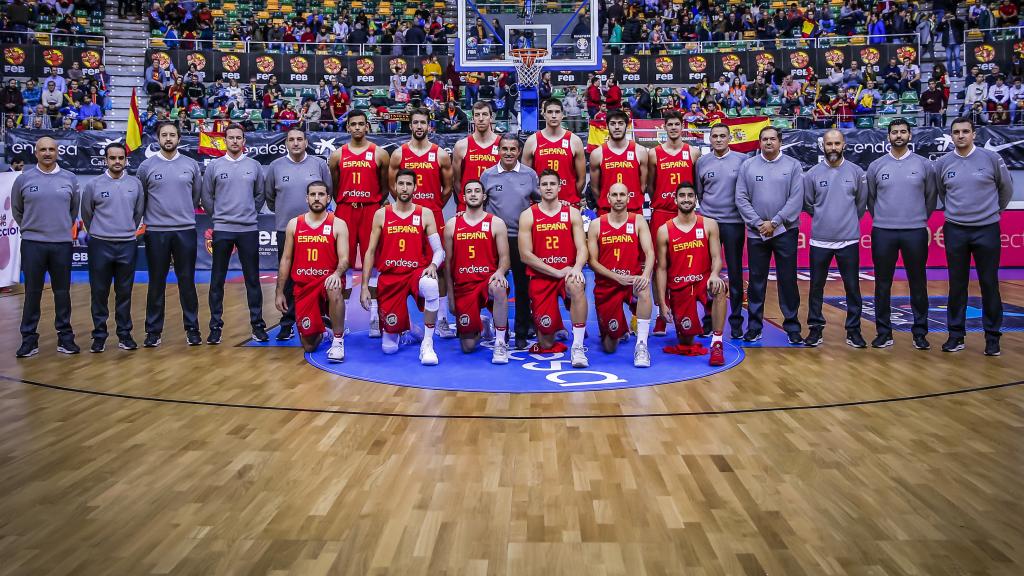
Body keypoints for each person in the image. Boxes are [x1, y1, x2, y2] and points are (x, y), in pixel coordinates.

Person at [933, 118, 1014, 356]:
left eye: (965, 131)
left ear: (974, 134)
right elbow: (942, 192)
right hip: (955, 230)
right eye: (956, 132)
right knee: (957, 285)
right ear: (951, 136)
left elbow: (1006, 189)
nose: (961, 135)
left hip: (986, 230)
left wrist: (991, 212)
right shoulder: (943, 163)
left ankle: (992, 337)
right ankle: (956, 335)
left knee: (989, 283)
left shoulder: (992, 159)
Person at [865, 119, 937, 350]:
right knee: (882, 284)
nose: (898, 135)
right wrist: (884, 218)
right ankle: (883, 333)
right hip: (883, 232)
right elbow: (871, 199)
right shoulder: (876, 166)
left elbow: (931, 198)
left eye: (903, 132)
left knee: (918, 282)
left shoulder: (924, 165)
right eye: (894, 132)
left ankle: (920, 333)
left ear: (910, 135)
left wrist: (918, 219)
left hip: (914, 231)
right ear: (888, 136)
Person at [360, 169, 445, 365]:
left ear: (415, 187)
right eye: (401, 184)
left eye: (408, 184)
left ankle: (427, 343)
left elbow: (439, 250)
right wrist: (364, 286)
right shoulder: (381, 214)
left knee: (431, 285)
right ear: (395, 187)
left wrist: (433, 264)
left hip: (416, 273)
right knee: (389, 348)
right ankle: (409, 328)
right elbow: (370, 252)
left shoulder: (425, 213)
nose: (404, 188)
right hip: (390, 277)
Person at [388, 107, 455, 338]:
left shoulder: (440, 154)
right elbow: (393, 186)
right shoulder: (399, 154)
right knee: (403, 264)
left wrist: (432, 206)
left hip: (433, 214)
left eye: (422, 123)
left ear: (429, 126)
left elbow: (448, 188)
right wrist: (408, 206)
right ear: (410, 125)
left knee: (439, 266)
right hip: (406, 217)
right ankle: (400, 320)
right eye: (415, 122)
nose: (419, 126)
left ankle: (442, 319)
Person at [136, 121, 204, 348]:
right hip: (156, 232)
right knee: (156, 282)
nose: (168, 138)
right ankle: (153, 332)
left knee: (187, 281)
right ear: (158, 139)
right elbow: (141, 198)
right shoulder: (146, 166)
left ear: (178, 138)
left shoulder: (191, 165)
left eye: (172, 135)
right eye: (164, 135)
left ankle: (192, 329)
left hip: (185, 230)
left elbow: (195, 197)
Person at [11, 137, 80, 357]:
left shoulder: (70, 178)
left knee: (62, 292)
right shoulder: (23, 179)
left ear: (57, 152)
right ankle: (29, 340)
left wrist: (60, 228)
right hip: (33, 244)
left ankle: (65, 338)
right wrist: (32, 228)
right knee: (32, 293)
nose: (47, 153)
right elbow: (17, 209)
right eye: (43, 149)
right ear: (36, 152)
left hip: (61, 244)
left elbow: (73, 210)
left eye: (51, 149)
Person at [735, 126, 804, 344]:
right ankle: (754, 327)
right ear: (759, 142)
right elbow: (741, 198)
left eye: (772, 139)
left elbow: (796, 199)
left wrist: (775, 222)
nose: (768, 143)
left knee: (788, 280)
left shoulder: (793, 165)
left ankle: (792, 326)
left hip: (785, 231)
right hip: (757, 234)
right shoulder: (748, 165)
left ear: (780, 141)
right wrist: (759, 224)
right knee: (756, 281)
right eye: (764, 139)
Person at [200, 123, 268, 344]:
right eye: (231, 138)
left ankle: (258, 326)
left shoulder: (254, 166)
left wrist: (249, 213)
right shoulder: (214, 166)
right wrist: (219, 216)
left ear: (244, 141)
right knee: (217, 279)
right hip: (222, 229)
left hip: (248, 229)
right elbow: (206, 197)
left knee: (252, 280)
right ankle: (215, 327)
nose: (235, 141)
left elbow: (260, 195)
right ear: (225, 141)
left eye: (239, 138)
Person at [264, 127, 333, 341]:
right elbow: (270, 198)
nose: (295, 143)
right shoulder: (275, 166)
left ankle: (323, 319)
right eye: (291, 139)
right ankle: (287, 323)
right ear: (286, 143)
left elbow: (328, 192)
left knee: (319, 274)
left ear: (306, 142)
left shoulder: (319, 164)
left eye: (299, 139)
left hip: (317, 230)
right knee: (287, 277)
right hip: (286, 229)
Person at [801, 129, 868, 348]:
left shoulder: (856, 172)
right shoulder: (812, 174)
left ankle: (854, 331)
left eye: (837, 143)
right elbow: (808, 204)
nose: (833, 148)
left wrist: (846, 221)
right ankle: (815, 329)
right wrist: (824, 218)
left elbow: (860, 204)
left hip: (848, 240)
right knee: (816, 287)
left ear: (844, 145)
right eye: (829, 144)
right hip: (820, 240)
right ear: (823, 146)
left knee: (852, 287)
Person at [328, 110, 390, 336]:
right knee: (341, 263)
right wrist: (346, 201)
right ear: (347, 127)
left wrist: (373, 203)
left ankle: (375, 316)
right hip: (345, 209)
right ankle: (340, 319)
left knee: (373, 263)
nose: (356, 127)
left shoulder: (380, 154)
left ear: (367, 127)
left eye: (361, 124)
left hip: (371, 209)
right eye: (352, 124)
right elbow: (335, 187)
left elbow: (385, 187)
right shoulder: (337, 155)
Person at [519, 169, 589, 367]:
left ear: (559, 187)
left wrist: (577, 268)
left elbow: (582, 248)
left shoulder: (572, 213)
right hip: (542, 277)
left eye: (552, 184)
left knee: (576, 284)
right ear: (539, 188)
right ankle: (556, 326)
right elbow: (525, 255)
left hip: (567, 273)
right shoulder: (528, 215)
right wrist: (556, 272)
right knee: (546, 344)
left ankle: (577, 346)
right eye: (544, 184)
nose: (548, 187)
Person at [81, 143, 144, 353]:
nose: (117, 161)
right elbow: (86, 214)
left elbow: (138, 213)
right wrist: (99, 232)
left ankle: (124, 335)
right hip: (100, 244)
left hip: (127, 244)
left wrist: (126, 230)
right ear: (105, 160)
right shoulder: (93, 185)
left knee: (124, 292)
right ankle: (99, 336)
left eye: (120, 158)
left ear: (126, 160)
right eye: (112, 158)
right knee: (99, 292)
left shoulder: (135, 184)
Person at [655, 184, 727, 367]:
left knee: (720, 288)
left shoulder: (709, 224)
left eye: (690, 195)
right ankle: (688, 331)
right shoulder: (664, 230)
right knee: (686, 341)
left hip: (704, 281)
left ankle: (717, 343)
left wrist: (715, 274)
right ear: (675, 200)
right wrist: (662, 303)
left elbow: (717, 257)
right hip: (680, 286)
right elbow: (661, 268)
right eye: (682, 196)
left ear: (696, 199)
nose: (686, 199)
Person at [274, 181, 348, 360]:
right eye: (313, 194)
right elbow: (286, 259)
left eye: (321, 194)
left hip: (327, 280)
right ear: (306, 198)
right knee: (309, 347)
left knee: (334, 286)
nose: (317, 198)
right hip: (304, 286)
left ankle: (338, 342)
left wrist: (337, 274)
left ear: (328, 198)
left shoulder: (338, 224)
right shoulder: (294, 224)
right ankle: (324, 328)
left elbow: (345, 259)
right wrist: (279, 292)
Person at [481, 133, 541, 350]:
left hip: (521, 240)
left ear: (519, 151)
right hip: (494, 241)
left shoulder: (530, 174)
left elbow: (541, 202)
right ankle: (501, 332)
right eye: (504, 149)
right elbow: (479, 203)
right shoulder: (487, 175)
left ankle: (522, 332)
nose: (508, 153)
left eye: (512, 149)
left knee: (523, 289)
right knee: (498, 287)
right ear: (498, 151)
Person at [443, 180, 511, 363]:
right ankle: (483, 324)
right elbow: (447, 264)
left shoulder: (496, 223)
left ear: (484, 196)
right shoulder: (452, 225)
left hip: (487, 282)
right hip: (464, 287)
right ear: (463, 197)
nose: (473, 194)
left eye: (477, 191)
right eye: (469, 191)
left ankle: (499, 343)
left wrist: (500, 271)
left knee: (499, 287)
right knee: (468, 347)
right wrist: (450, 296)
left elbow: (505, 258)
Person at [587, 183, 655, 366]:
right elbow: (592, 262)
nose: (618, 198)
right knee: (609, 346)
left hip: (632, 282)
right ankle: (620, 328)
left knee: (644, 289)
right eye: (615, 195)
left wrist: (645, 275)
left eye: (622, 195)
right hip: (607, 285)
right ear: (608, 198)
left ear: (628, 198)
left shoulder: (638, 221)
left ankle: (642, 345)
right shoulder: (596, 224)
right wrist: (617, 277)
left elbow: (650, 252)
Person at [648, 111, 702, 336]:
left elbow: (696, 184)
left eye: (676, 124)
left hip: (685, 214)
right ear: (664, 127)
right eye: (669, 124)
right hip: (662, 212)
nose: (673, 128)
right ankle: (661, 314)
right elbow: (651, 185)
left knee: (687, 266)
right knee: (659, 265)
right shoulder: (654, 153)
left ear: (682, 127)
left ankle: (688, 313)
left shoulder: (693, 152)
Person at [522, 98, 587, 206]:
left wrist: (571, 197)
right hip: (541, 203)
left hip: (568, 203)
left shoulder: (574, 140)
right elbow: (526, 178)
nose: (553, 116)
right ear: (543, 114)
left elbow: (582, 179)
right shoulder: (532, 141)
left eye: (557, 112)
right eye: (550, 112)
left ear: (563, 114)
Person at [589, 109, 648, 216]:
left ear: (627, 126)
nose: (617, 127)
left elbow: (643, 186)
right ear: (607, 126)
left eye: (620, 123)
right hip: (607, 211)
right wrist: (606, 203)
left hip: (633, 210)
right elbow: (594, 187)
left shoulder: (640, 151)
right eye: (613, 123)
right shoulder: (597, 154)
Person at [451, 101, 500, 212]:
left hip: (494, 204)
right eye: (477, 115)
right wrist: (466, 199)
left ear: (491, 118)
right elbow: (456, 181)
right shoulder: (461, 145)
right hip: (467, 205)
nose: (481, 119)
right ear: (472, 119)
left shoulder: (501, 144)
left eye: (485, 114)